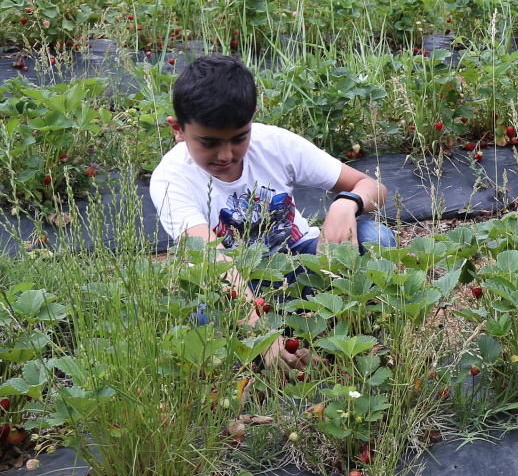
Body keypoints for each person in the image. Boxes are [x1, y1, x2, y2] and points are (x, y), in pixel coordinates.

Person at [149, 54, 394, 368]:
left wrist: (348, 203)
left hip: (301, 262)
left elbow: (373, 187)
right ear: (178, 129)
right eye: (209, 143)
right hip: (240, 282)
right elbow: (214, 262)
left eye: (239, 138)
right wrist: (261, 333)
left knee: (376, 238)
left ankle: (355, 333)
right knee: (205, 314)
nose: (226, 155)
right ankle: (280, 347)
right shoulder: (172, 178)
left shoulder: (275, 144)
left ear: (253, 116)